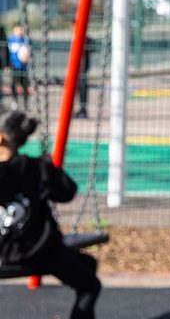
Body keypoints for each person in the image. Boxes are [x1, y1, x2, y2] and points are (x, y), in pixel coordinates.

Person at [0, 110, 102, 319]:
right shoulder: (36, 167)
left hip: (6, 251)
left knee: (88, 265)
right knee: (90, 285)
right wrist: (51, 168)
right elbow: (67, 192)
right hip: (41, 252)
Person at [7, 25, 31, 107]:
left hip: (23, 67)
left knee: (25, 85)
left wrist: (28, 56)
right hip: (14, 66)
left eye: (21, 30)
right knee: (13, 84)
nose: (20, 31)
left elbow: (29, 52)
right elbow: (7, 53)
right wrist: (8, 65)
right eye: (18, 30)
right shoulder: (10, 40)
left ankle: (26, 102)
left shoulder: (26, 40)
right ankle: (15, 102)